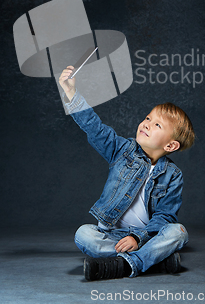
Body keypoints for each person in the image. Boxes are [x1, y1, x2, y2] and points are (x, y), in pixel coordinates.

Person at [59, 65, 195, 281]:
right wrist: (71, 93)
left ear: (170, 146)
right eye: (148, 118)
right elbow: (95, 128)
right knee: (84, 235)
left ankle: (121, 265)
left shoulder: (173, 175)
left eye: (157, 124)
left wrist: (137, 237)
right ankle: (153, 261)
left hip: (147, 236)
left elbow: (164, 216)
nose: (147, 124)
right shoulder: (122, 150)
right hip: (113, 234)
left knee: (178, 232)